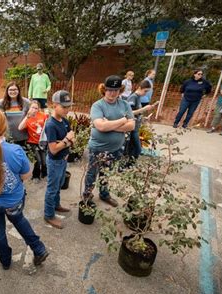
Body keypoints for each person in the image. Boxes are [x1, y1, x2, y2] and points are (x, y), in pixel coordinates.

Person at [0, 110, 49, 269]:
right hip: (13, 201)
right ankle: (38, 248)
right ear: (5, 128)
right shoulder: (16, 151)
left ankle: (5, 261)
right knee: (20, 221)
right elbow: (26, 175)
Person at [83, 75, 135, 209]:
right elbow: (100, 126)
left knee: (106, 173)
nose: (112, 93)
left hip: (115, 148)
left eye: (116, 90)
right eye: (110, 90)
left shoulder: (124, 104)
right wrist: (123, 120)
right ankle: (87, 195)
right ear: (104, 90)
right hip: (97, 148)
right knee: (92, 173)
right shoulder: (98, 105)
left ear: (120, 91)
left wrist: (110, 125)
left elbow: (132, 126)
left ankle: (104, 194)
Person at [43, 90, 75, 229]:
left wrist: (67, 145)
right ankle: (49, 214)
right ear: (54, 105)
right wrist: (67, 140)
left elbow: (71, 138)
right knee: (52, 188)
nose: (67, 109)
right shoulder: (51, 125)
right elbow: (53, 149)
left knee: (60, 184)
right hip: (55, 161)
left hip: (63, 159)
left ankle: (56, 205)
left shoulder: (65, 121)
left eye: (68, 106)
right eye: (64, 107)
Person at [125, 80, 157, 164]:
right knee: (137, 149)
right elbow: (129, 113)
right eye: (145, 91)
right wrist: (144, 109)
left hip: (136, 127)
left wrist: (143, 118)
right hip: (132, 128)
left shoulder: (138, 98)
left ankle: (128, 165)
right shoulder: (133, 97)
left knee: (132, 149)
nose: (145, 93)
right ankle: (128, 165)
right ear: (139, 88)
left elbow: (137, 113)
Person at [18, 100, 48, 181]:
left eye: (36, 108)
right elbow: (20, 127)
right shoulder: (27, 118)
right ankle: (35, 176)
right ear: (29, 108)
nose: (34, 110)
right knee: (37, 161)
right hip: (32, 142)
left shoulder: (42, 115)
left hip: (42, 142)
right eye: (32, 107)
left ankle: (44, 173)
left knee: (44, 161)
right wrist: (27, 117)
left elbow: (48, 125)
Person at [0, 81, 30, 147]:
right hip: (8, 137)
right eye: (10, 90)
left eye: (15, 89)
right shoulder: (0, 103)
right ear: (7, 91)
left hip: (23, 136)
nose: (13, 91)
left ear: (18, 90)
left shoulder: (26, 102)